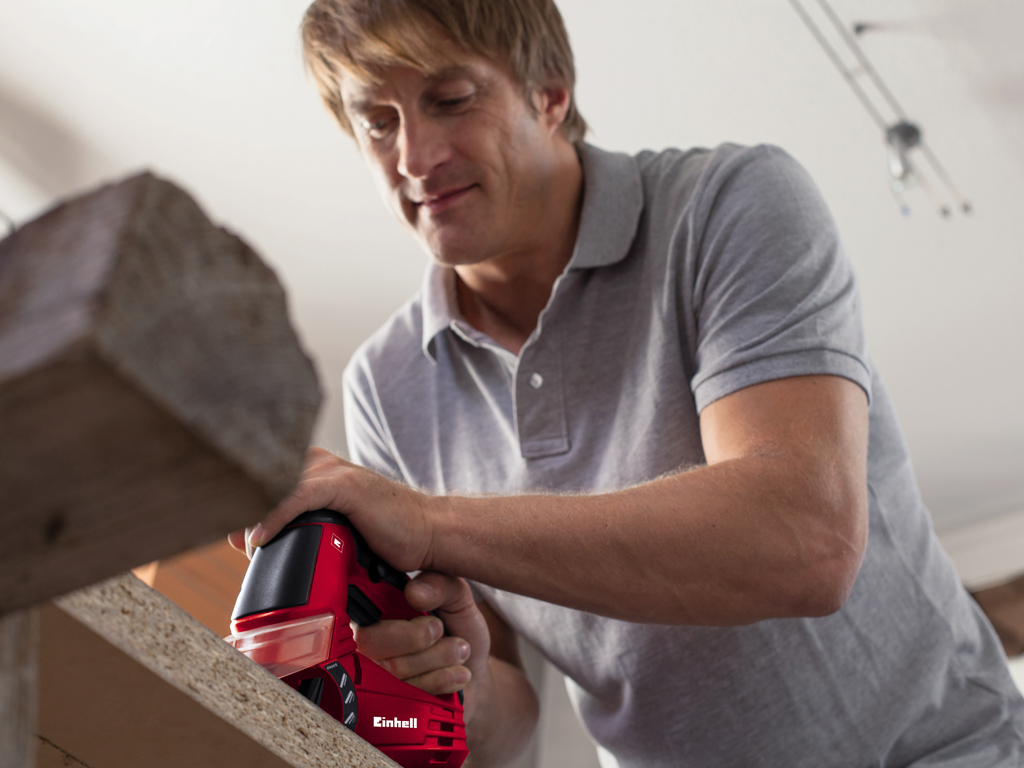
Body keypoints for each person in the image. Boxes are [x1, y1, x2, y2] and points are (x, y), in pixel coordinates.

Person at [230, 0, 1024, 764]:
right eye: (378, 120)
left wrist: (430, 522)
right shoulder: (386, 383)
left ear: (549, 92)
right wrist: (454, 687)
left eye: (451, 99)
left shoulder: (728, 204)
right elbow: (506, 721)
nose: (413, 157)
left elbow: (805, 539)